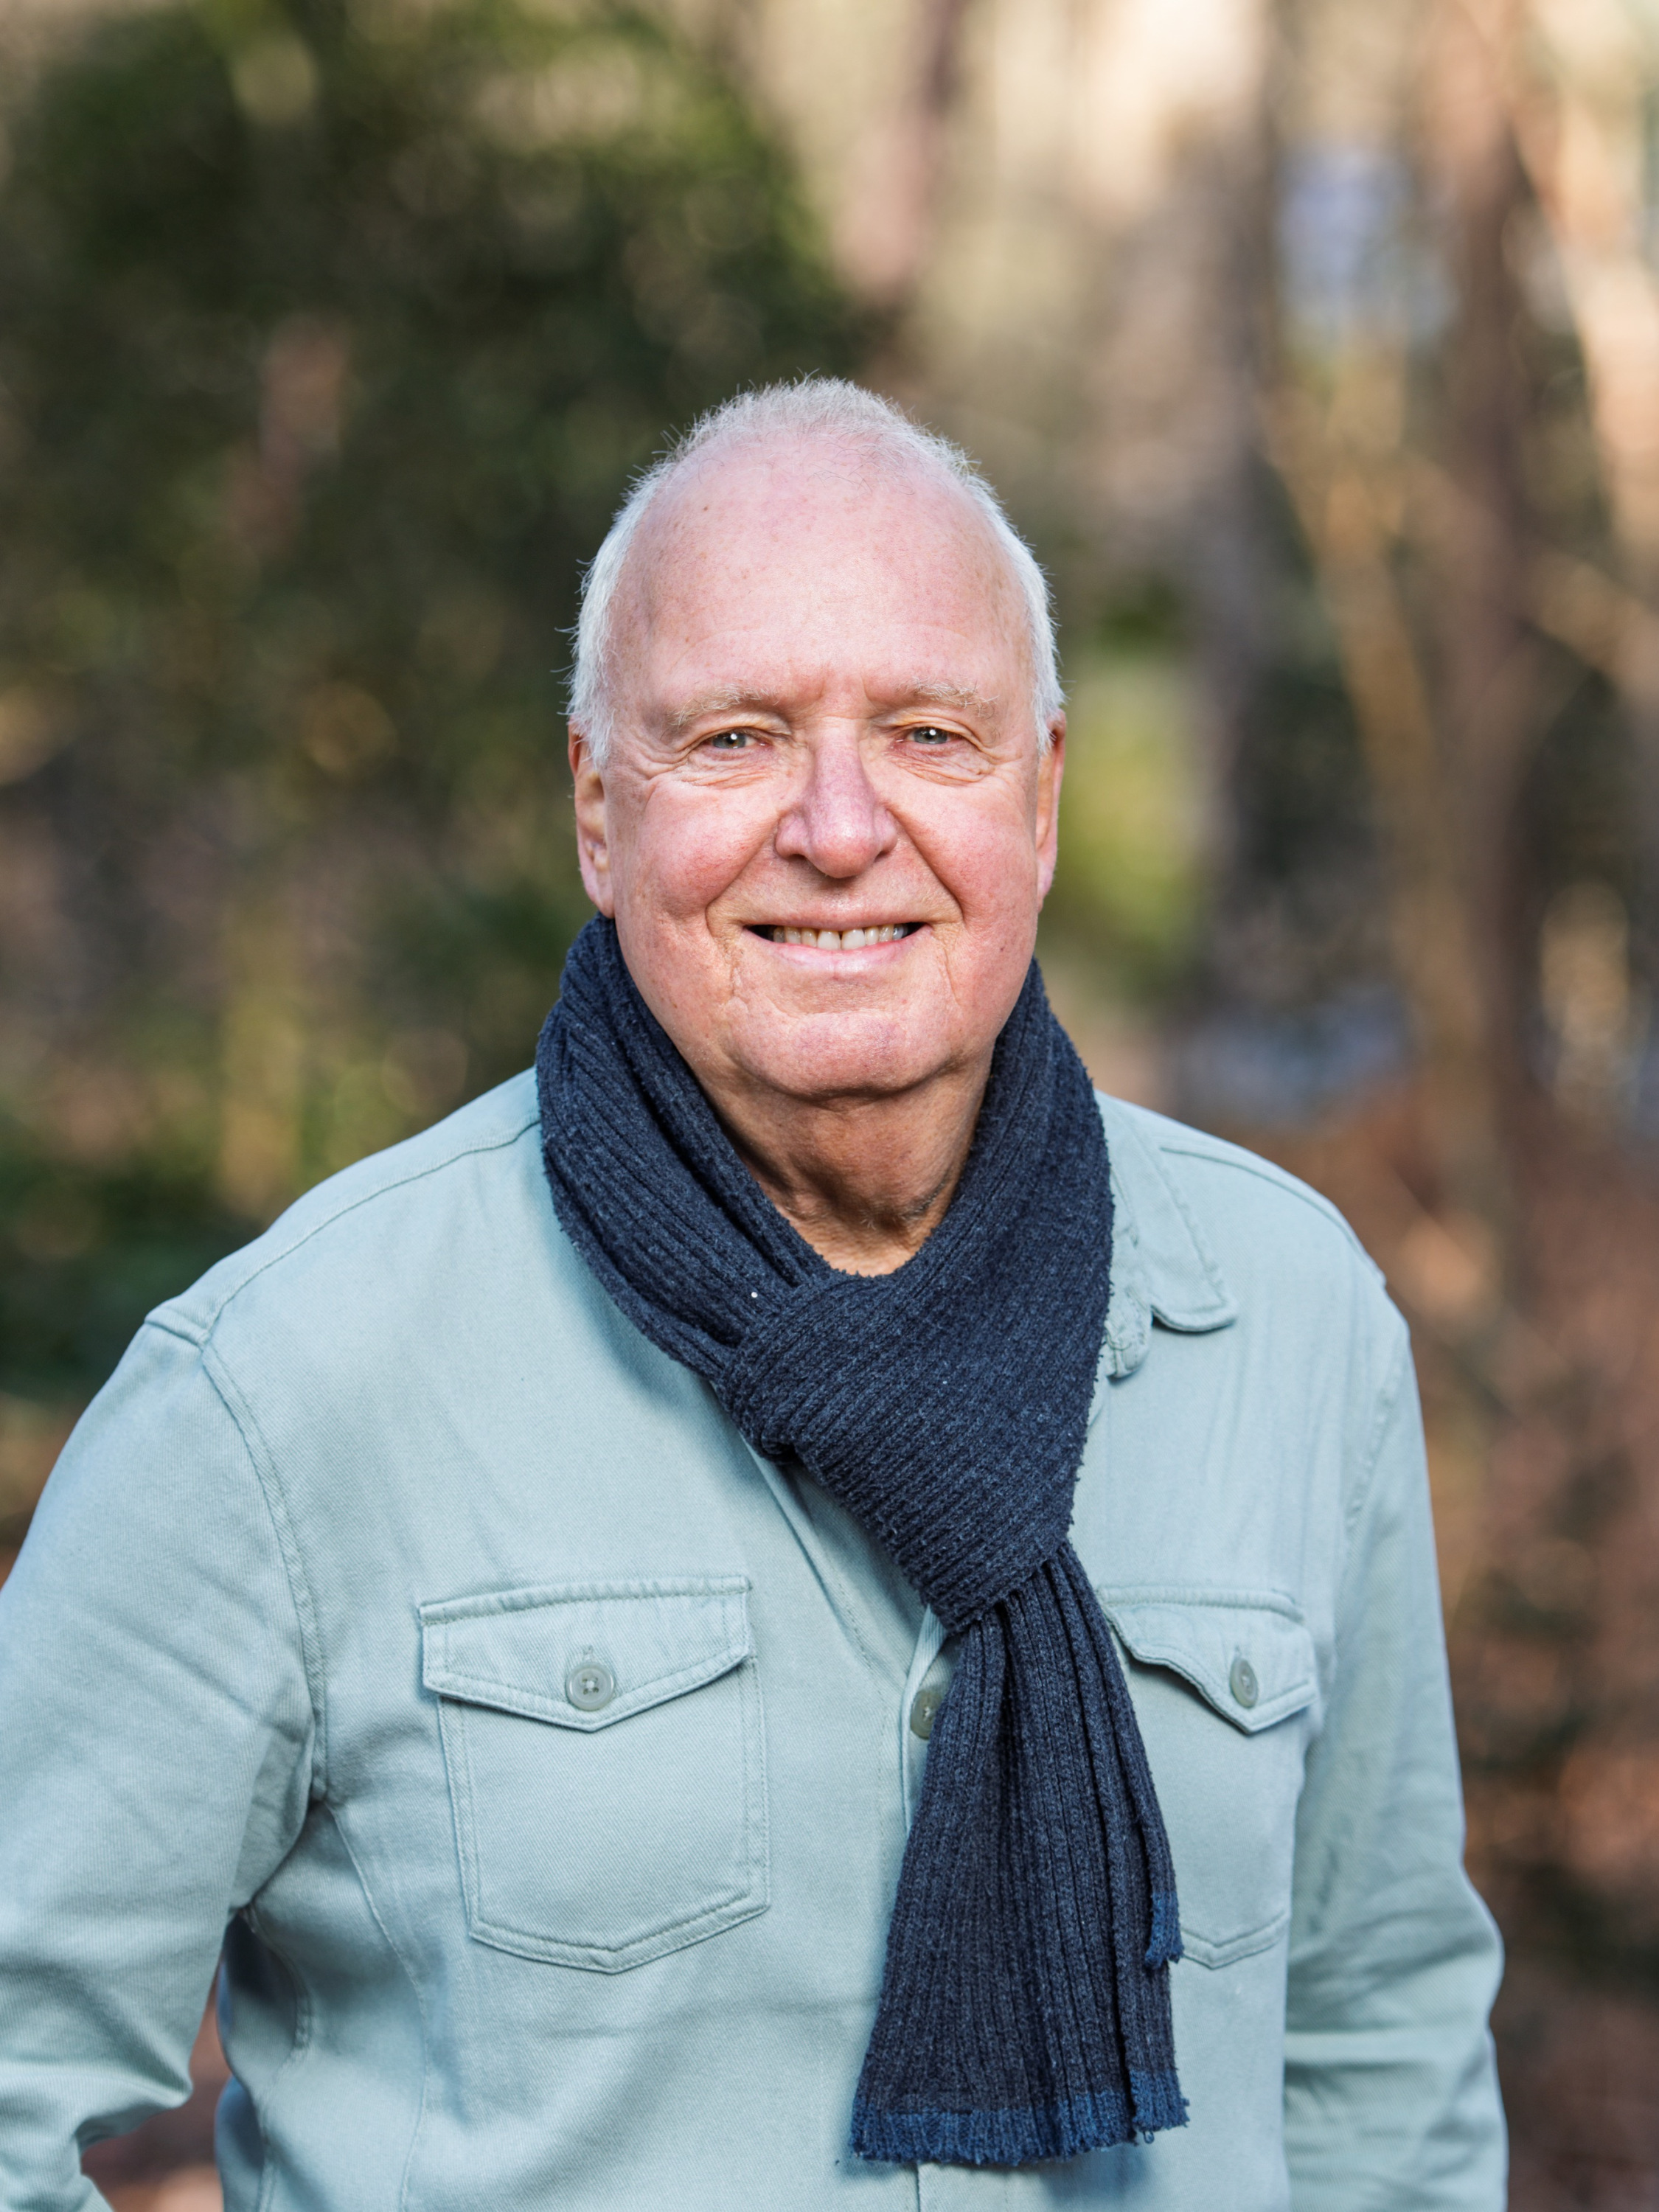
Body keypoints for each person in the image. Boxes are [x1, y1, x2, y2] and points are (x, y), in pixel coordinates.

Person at [0, 378, 1505, 2208]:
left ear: (1041, 797)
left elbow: (1378, 2055)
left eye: (930, 734)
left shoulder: (1291, 1321)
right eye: (735, 738)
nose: (841, 826)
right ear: (597, 809)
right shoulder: (289, 1385)